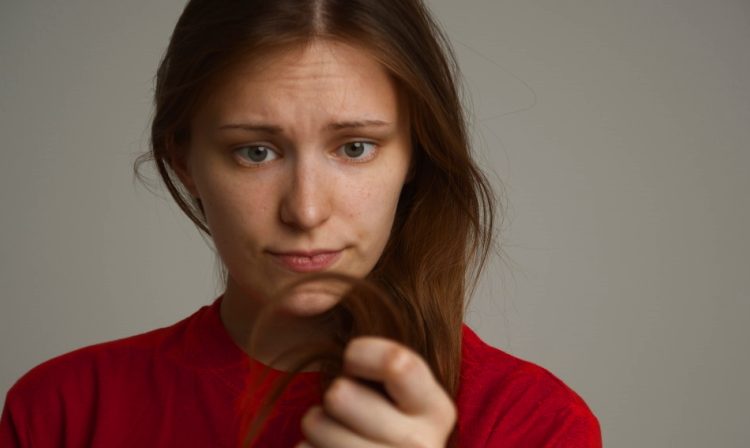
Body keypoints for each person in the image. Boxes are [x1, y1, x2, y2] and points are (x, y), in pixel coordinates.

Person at [0, 0, 601, 446]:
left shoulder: (535, 424)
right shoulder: (63, 410)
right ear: (184, 158)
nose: (307, 210)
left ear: (415, 154)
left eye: (356, 147)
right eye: (256, 151)